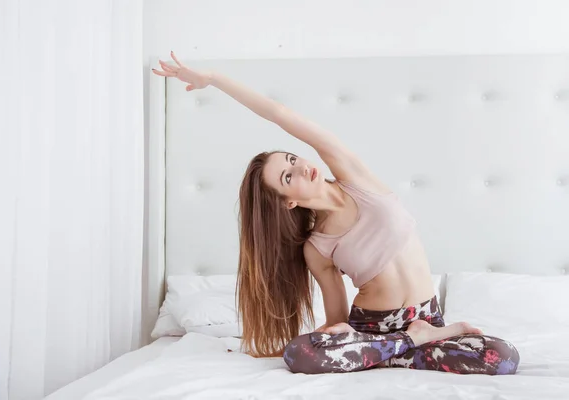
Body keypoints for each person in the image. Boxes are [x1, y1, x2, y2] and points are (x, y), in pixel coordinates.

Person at [153, 52, 520, 375]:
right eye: (287, 176)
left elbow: (280, 114)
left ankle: (402, 346)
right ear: (287, 202)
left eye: (292, 159)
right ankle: (412, 344)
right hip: (370, 329)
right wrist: (337, 331)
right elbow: (337, 321)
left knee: (502, 358)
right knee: (301, 355)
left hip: (430, 317)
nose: (300, 168)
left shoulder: (353, 177)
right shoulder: (317, 247)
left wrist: (215, 79)